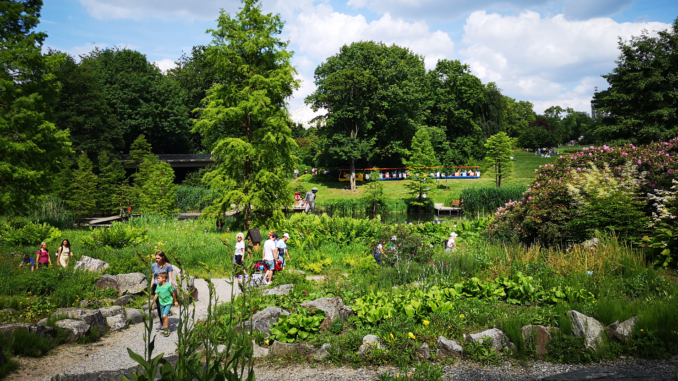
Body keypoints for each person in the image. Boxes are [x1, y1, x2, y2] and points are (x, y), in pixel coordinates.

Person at [151, 272, 178, 337]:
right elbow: (156, 295)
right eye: (157, 278)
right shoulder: (158, 286)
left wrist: (175, 301)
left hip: (168, 302)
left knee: (165, 315)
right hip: (161, 303)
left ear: (164, 278)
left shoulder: (168, 285)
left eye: (159, 278)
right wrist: (153, 304)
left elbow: (173, 293)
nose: (157, 279)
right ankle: (165, 328)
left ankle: (167, 329)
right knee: (162, 317)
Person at [151, 251, 174, 323]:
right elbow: (153, 278)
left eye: (158, 258)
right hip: (156, 285)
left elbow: (170, 278)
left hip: (165, 286)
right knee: (158, 304)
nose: (156, 259)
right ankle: (162, 322)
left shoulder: (168, 266)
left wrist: (169, 287)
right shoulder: (154, 265)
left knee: (164, 302)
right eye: (156, 258)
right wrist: (151, 288)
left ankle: (165, 316)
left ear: (162, 257)